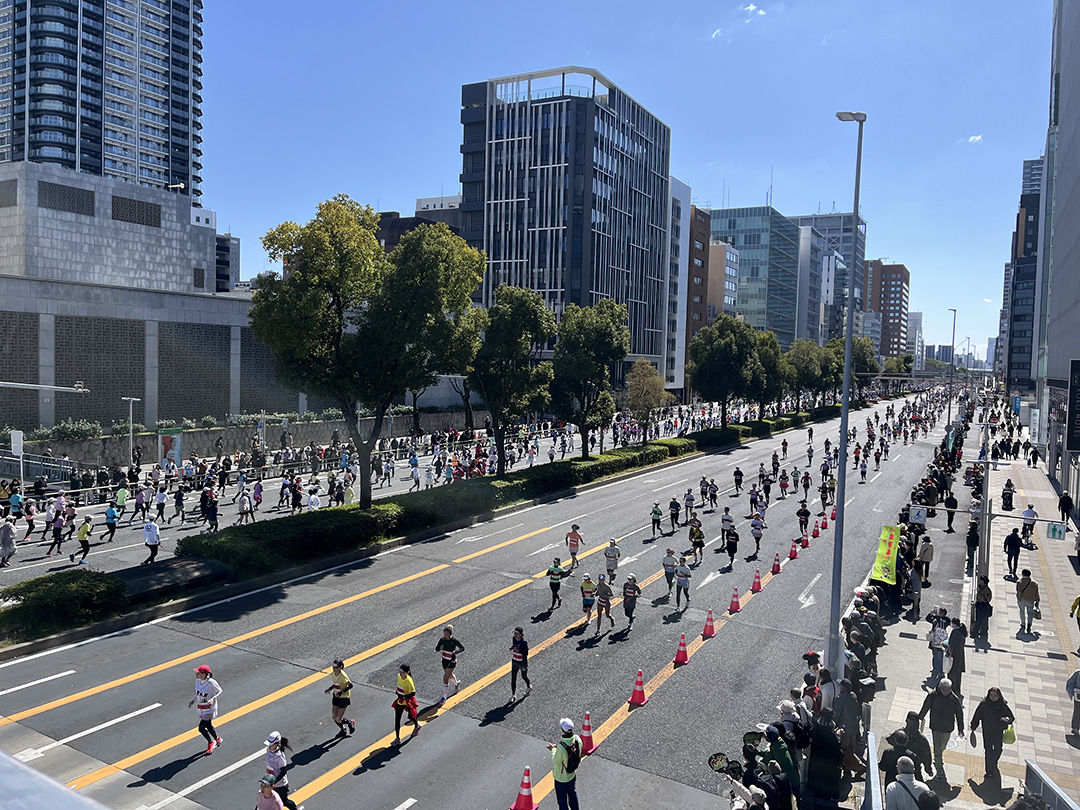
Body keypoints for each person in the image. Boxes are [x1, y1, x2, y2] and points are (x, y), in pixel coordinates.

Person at [917, 678, 964, 781]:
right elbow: (925, 707)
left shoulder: (954, 699)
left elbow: (959, 714)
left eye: (948, 689)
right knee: (938, 750)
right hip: (936, 726)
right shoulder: (933, 696)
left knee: (942, 747)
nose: (946, 692)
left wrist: (961, 729)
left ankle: (938, 758)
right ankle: (939, 769)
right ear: (940, 687)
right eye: (944, 689)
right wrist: (919, 718)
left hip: (947, 728)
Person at [969, 687, 1015, 779]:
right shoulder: (984, 705)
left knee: (998, 749)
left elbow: (1011, 717)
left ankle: (993, 762)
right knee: (988, 750)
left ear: (999, 696)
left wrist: (1007, 720)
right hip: (987, 731)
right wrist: (973, 727)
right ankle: (989, 770)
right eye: (991, 695)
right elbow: (977, 716)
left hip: (998, 731)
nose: (993, 697)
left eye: (995, 695)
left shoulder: (1002, 705)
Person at [548, 717, 582, 810]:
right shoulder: (577, 739)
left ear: (563, 730)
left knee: (562, 801)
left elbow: (556, 761)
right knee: (572, 794)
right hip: (572, 775)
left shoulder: (561, 747)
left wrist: (553, 750)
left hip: (561, 779)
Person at [263, 731, 303, 810]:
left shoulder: (279, 756)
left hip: (280, 785)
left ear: (277, 743)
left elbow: (283, 771)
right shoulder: (269, 751)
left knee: (284, 801)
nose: (269, 746)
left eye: (271, 745)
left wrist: (274, 782)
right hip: (270, 782)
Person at [189, 664, 223, 755]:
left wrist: (213, 698)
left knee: (201, 728)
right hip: (200, 707)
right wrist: (193, 700)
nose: (197, 675)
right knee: (208, 725)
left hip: (208, 708)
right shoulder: (198, 681)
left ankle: (211, 742)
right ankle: (217, 738)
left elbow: (220, 690)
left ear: (204, 674)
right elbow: (198, 693)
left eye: (199, 673)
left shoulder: (211, 682)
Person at [323, 659, 355, 737]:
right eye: (333, 667)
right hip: (336, 696)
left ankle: (350, 722)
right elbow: (336, 684)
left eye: (336, 667)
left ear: (341, 667)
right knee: (334, 717)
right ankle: (343, 730)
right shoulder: (333, 674)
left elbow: (350, 685)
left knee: (338, 719)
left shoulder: (343, 676)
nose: (334, 669)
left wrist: (340, 693)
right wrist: (330, 689)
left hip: (344, 698)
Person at [392, 663, 420, 745]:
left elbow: (413, 693)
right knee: (397, 720)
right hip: (400, 701)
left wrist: (404, 696)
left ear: (407, 672)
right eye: (400, 671)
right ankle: (397, 738)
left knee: (412, 716)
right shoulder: (398, 676)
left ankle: (417, 725)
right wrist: (398, 693)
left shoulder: (409, 681)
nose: (400, 674)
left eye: (402, 672)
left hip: (407, 701)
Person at [436, 624, 464, 701]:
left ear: (450, 634)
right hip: (444, 660)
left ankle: (444, 697)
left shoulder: (454, 641)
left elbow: (462, 648)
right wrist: (440, 648)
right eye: (444, 634)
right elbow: (436, 649)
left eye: (446, 634)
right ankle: (457, 683)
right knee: (449, 675)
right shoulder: (442, 640)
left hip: (451, 660)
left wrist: (456, 652)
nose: (445, 635)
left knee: (445, 677)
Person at [946, 617, 967, 696]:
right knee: (958, 673)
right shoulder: (962, 631)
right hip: (960, 654)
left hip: (954, 655)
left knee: (952, 672)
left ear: (954, 624)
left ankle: (952, 688)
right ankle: (957, 688)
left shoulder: (955, 632)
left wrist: (947, 648)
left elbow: (952, 644)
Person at [1016, 569, 1041, 635]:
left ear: (1023, 574)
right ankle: (1029, 624)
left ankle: (1023, 624)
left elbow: (1018, 592)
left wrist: (1019, 598)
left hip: (1022, 599)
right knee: (1030, 613)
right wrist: (1037, 601)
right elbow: (1036, 593)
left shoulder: (1019, 582)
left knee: (1022, 611)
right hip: (1031, 600)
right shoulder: (1034, 583)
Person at [510, 627, 531, 701]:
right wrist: (512, 647)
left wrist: (518, 651)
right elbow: (514, 644)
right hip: (514, 661)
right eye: (514, 633)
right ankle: (513, 695)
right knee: (513, 678)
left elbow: (526, 653)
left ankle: (529, 685)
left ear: (521, 634)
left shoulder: (524, 642)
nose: (515, 634)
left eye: (517, 633)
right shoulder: (514, 638)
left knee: (524, 676)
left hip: (522, 663)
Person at [973, 576, 993, 640]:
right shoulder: (981, 587)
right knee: (980, 619)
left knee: (982, 620)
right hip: (979, 605)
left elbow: (988, 599)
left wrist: (983, 599)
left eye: (980, 580)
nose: (979, 581)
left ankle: (979, 632)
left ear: (983, 581)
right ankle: (980, 632)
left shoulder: (986, 590)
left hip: (983, 606)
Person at [1067, 668, 1080, 736]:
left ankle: (1075, 727)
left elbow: (1071, 681)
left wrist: (1070, 692)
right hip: (1078, 696)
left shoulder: (1078, 672)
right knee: (1077, 711)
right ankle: (1075, 728)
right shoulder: (1078, 672)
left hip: (1078, 695)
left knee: (1077, 711)